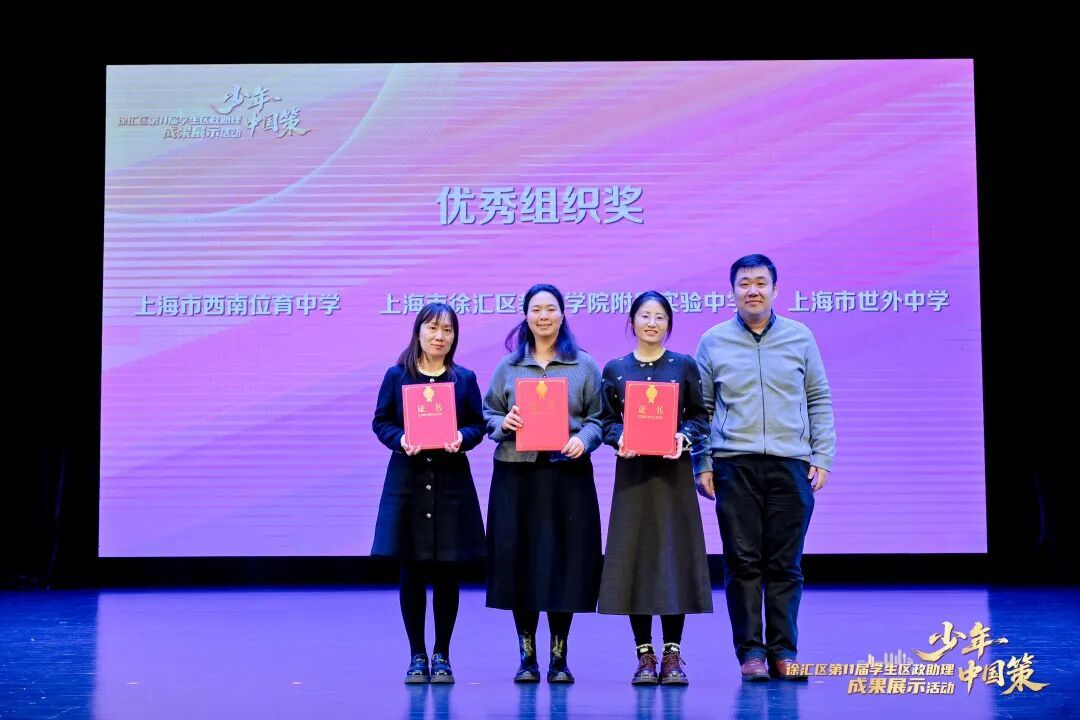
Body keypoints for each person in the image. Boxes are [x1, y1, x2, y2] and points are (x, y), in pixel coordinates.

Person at [693, 254, 836, 682]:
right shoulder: (713, 341)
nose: (752, 290)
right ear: (732, 291)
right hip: (733, 464)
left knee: (786, 564)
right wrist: (702, 462)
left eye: (760, 283)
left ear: (775, 289)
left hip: (791, 464)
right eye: (744, 283)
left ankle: (784, 651)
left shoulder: (800, 336)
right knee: (742, 564)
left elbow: (818, 399)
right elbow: (702, 409)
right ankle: (751, 653)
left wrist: (822, 456)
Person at [483, 283, 603, 684]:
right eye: (536, 309)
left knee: (563, 564)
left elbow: (599, 419)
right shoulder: (508, 366)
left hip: (566, 475)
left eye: (551, 309)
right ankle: (527, 657)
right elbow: (488, 413)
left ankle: (559, 657)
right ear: (526, 316)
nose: (543, 316)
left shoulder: (584, 365)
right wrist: (504, 424)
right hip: (516, 476)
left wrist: (583, 440)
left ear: (563, 315)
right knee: (520, 562)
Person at [597, 291, 713, 686]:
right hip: (633, 477)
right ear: (632, 322)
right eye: (645, 316)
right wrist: (619, 438)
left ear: (669, 324)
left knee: (672, 558)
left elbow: (700, 417)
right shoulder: (615, 368)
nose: (652, 323)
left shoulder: (683, 365)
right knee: (637, 559)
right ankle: (644, 654)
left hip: (672, 477)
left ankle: (672, 654)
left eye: (660, 317)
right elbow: (606, 421)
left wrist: (683, 437)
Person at [371, 303, 487, 684]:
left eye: (447, 330)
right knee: (412, 572)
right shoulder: (397, 376)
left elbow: (477, 425)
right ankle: (417, 655)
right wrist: (401, 439)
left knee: (448, 573)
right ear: (418, 331)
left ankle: (442, 654)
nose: (440, 336)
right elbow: (381, 421)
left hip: (450, 485)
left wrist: (462, 437)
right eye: (433, 328)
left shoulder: (464, 379)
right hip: (408, 483)